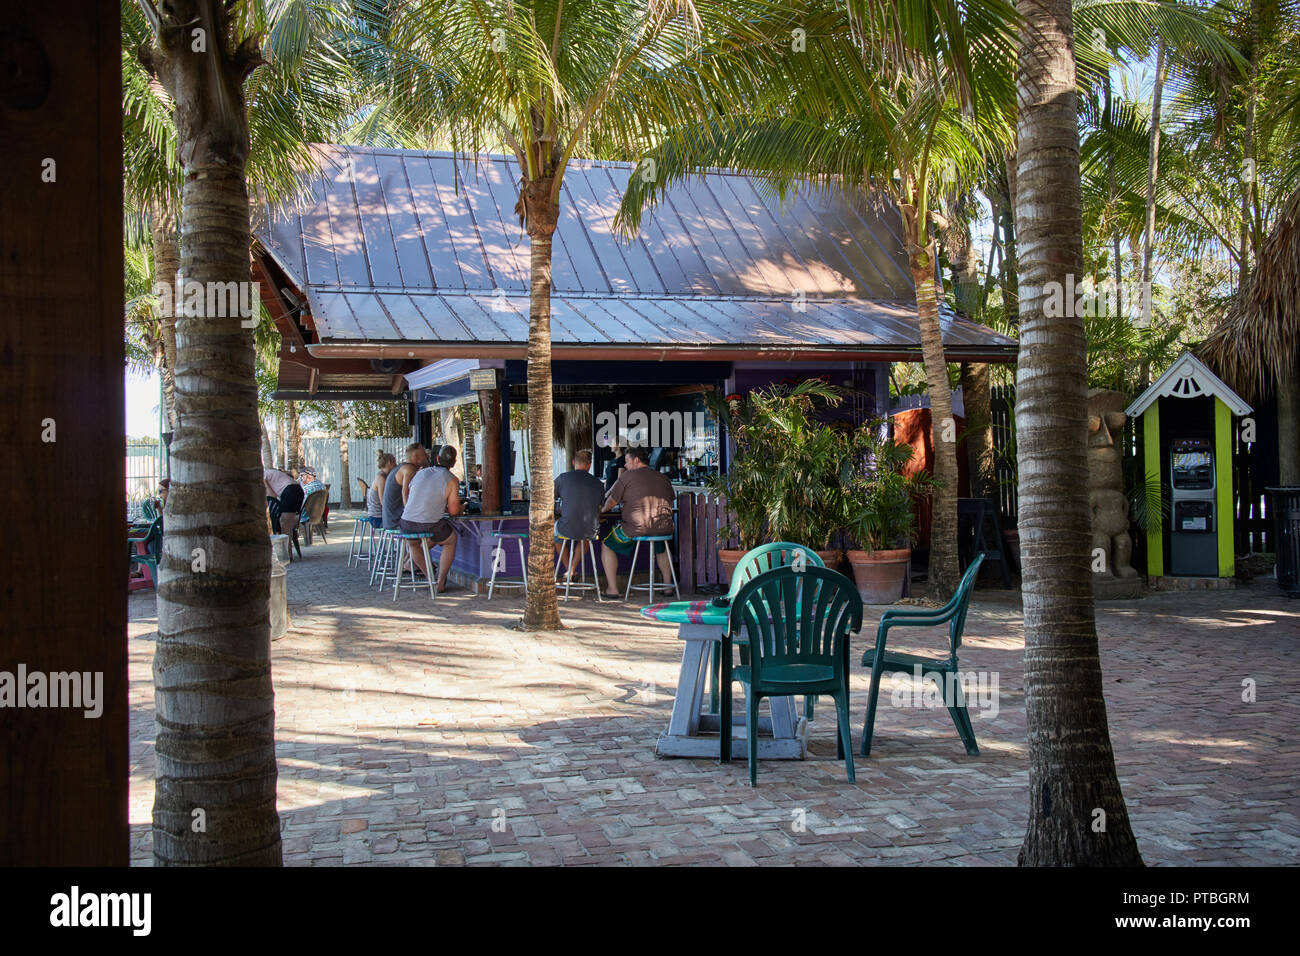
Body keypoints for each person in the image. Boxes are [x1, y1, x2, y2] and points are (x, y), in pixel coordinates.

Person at [600, 446, 675, 597]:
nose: (625, 466)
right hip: (663, 529)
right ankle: (668, 587)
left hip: (635, 529)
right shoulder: (663, 478)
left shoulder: (627, 477)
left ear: (636, 460)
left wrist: (601, 510)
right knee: (661, 547)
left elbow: (611, 502)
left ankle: (612, 589)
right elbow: (671, 503)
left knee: (606, 545)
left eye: (627, 462)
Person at [400, 445, 461, 592]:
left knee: (413, 544)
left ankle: (430, 577)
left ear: (437, 458)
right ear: (454, 462)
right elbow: (453, 511)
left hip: (406, 522)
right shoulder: (452, 479)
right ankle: (439, 582)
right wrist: (461, 507)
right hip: (428, 525)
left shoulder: (421, 473)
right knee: (450, 540)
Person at [553, 449, 605, 577]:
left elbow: (549, 497)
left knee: (556, 536)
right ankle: (571, 569)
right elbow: (601, 506)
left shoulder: (562, 478)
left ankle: (569, 569)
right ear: (590, 464)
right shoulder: (598, 483)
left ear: (573, 462)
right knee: (586, 539)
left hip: (566, 527)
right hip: (589, 529)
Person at [382, 443, 429, 530]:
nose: (427, 456)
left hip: (389, 521)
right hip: (396, 523)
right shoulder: (409, 470)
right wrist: (411, 518)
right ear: (416, 457)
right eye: (424, 454)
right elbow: (405, 493)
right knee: (437, 528)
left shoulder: (402, 467)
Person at [264, 467, 304, 533]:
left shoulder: (262, 476)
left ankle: (285, 542)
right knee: (289, 522)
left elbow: (271, 496)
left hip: (290, 491)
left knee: (284, 522)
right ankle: (290, 542)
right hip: (298, 489)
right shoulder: (269, 472)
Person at [368, 451, 396, 522]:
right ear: (389, 463)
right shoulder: (381, 478)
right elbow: (384, 502)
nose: (396, 465)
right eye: (395, 462)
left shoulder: (383, 476)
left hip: (378, 516)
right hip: (378, 517)